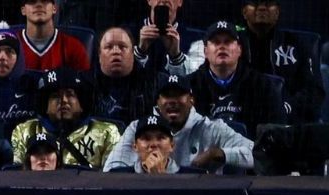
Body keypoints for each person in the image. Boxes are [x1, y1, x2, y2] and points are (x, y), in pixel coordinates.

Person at [103, 72, 254, 173]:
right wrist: (143, 171)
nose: (172, 101)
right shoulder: (138, 128)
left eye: (179, 95)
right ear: (158, 101)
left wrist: (219, 153)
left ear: (191, 100)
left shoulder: (212, 128)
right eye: (167, 96)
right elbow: (110, 171)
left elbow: (256, 155)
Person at [188, 20, 286, 137]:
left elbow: (276, 133)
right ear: (205, 51)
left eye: (228, 42)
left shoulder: (263, 86)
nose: (222, 46)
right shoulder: (189, 86)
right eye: (216, 42)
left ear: (239, 50)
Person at [10, 67, 120, 168]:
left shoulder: (107, 132)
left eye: (70, 94)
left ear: (81, 103)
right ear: (45, 106)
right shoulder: (25, 131)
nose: (64, 101)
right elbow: (18, 175)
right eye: (55, 96)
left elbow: (113, 178)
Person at [237, 0, 324, 124]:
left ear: (277, 12)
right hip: (241, 122)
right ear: (244, 12)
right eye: (255, 3)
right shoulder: (231, 45)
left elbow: (315, 91)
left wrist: (287, 107)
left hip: (288, 123)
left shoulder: (298, 45)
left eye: (268, 3)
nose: (262, 8)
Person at [88, 25, 157, 125]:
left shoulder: (151, 83)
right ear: (99, 54)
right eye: (108, 47)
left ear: (133, 53)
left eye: (122, 47)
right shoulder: (85, 84)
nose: (116, 51)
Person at [16, 0, 90, 72]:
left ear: (54, 8)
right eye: (32, 1)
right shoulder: (11, 45)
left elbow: (85, 82)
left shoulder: (74, 47)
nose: (39, 5)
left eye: (44, 1)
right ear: (23, 10)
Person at [108, 113, 189, 174]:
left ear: (172, 145)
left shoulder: (193, 176)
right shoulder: (117, 176)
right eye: (146, 138)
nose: (153, 144)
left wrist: (160, 178)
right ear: (135, 146)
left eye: (160, 138)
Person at [134, 0, 199, 75]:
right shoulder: (125, 34)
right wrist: (140, 52)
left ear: (180, 2)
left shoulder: (195, 40)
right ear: (149, 0)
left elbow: (197, 80)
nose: (164, 0)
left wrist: (176, 56)